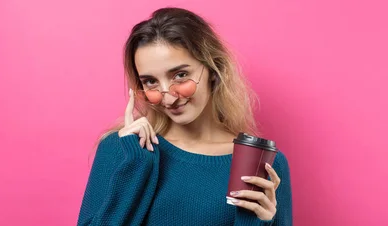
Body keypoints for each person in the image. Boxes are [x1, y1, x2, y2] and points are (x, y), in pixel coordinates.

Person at [77, 7, 293, 226]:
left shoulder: (261, 164)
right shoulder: (122, 149)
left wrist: (258, 222)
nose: (168, 98)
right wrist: (135, 164)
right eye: (150, 81)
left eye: (180, 75)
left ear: (213, 69)